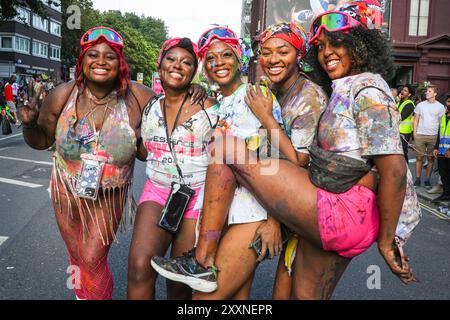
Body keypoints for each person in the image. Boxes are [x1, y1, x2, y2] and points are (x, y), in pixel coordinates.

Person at [152, 1, 421, 299]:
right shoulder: (330, 89)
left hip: (336, 208)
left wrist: (387, 242)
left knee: (225, 147)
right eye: (321, 47)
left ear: (360, 46)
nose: (327, 53)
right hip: (322, 205)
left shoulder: (360, 89)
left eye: (337, 45)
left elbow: (390, 169)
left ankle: (201, 259)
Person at [17, 26, 205, 300]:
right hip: (65, 191)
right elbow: (41, 140)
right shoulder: (62, 95)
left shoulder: (139, 98)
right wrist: (29, 124)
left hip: (110, 193)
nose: (101, 61)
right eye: (93, 55)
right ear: (82, 61)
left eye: (110, 56)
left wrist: (191, 88)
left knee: (92, 257)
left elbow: (169, 110)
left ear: (120, 63)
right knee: (78, 257)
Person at [151, 26, 285, 298]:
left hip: (251, 215)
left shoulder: (257, 97)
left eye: (226, 55)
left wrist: (274, 221)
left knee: (205, 298)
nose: (218, 63)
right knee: (237, 297)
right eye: (210, 59)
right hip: (222, 214)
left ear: (239, 59)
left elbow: (276, 162)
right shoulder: (219, 103)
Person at [127, 37, 219, 300]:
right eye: (171, 59)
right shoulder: (150, 108)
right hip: (157, 191)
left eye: (186, 62)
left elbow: (223, 163)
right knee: (138, 267)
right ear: (160, 65)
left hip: (197, 198)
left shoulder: (209, 108)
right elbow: (145, 152)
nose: (177, 65)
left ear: (193, 71)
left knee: (178, 283)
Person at [413, 84, 445, 187]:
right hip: (420, 135)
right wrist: (415, 134)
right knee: (419, 158)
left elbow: (441, 124)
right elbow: (416, 120)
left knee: (431, 159)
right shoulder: (420, 105)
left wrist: (440, 138)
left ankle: (427, 180)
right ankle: (417, 179)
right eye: (427, 91)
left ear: (435, 93)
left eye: (429, 91)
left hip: (434, 136)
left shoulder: (440, 107)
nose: (426, 92)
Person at [432, 93, 450, 203]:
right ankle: (446, 194)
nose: (449, 104)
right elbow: (440, 133)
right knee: (444, 174)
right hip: (442, 150)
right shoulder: (444, 116)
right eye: (448, 102)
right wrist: (435, 147)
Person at [397, 85, 416, 162]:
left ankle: (406, 171)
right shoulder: (399, 102)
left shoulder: (410, 104)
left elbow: (401, 117)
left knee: (403, 153)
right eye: (402, 90)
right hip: (397, 130)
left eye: (405, 90)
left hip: (404, 132)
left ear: (409, 94)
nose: (402, 91)